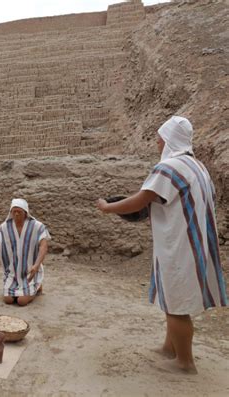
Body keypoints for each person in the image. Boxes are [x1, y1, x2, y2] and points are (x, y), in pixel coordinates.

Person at [97, 116, 227, 374]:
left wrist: (107, 207)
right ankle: (170, 348)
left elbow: (141, 200)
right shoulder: (197, 166)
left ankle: (184, 362)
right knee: (173, 299)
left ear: (168, 140)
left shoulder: (169, 168)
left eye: (159, 139)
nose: (157, 143)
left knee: (177, 304)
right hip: (193, 243)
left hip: (181, 246)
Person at [0, 198, 50, 306]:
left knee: (21, 301)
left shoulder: (37, 226)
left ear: (25, 213)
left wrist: (36, 265)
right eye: (14, 212)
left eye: (20, 212)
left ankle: (37, 287)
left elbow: (43, 246)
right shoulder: (4, 227)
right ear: (11, 213)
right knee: (8, 300)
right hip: (13, 272)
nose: (17, 214)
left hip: (30, 271)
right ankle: (19, 288)